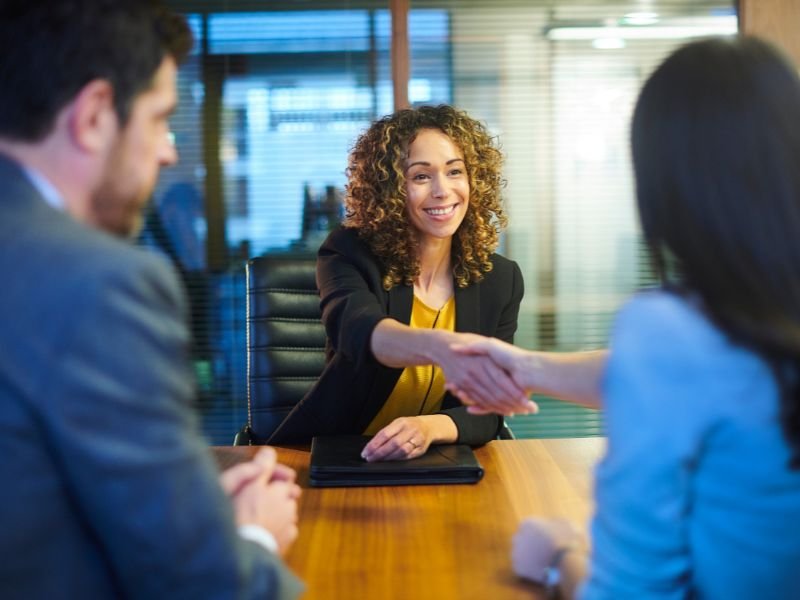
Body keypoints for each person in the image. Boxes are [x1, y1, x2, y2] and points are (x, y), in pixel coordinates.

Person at [454, 36, 800, 598]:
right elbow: (704, 376)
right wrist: (528, 367)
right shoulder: (752, 320)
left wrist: (558, 555)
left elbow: (629, 592)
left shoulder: (669, 330)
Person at [0, 1, 302, 598]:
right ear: (94, 116)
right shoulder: (95, 282)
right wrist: (252, 537)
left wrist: (184, 508)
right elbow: (206, 586)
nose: (169, 152)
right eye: (160, 119)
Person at [269, 105, 536, 461]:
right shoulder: (348, 252)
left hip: (433, 459)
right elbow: (361, 332)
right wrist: (442, 347)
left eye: (455, 171)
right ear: (391, 189)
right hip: (337, 453)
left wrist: (430, 428)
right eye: (421, 176)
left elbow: (489, 409)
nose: (443, 191)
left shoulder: (499, 279)